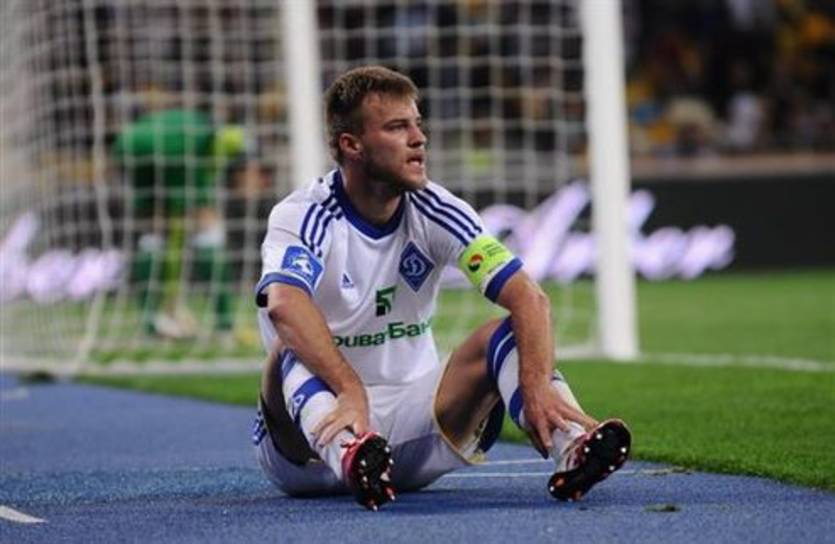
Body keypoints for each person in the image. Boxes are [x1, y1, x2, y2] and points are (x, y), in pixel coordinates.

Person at [252, 66, 631, 510]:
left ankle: (573, 445)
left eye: (417, 124)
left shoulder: (438, 210)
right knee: (288, 345)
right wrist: (351, 391)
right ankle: (350, 451)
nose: (419, 138)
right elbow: (284, 304)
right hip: (307, 453)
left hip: (416, 427)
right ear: (351, 145)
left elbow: (529, 298)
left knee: (506, 333)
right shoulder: (303, 214)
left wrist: (537, 385)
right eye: (397, 127)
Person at [113, 108, 246, 339]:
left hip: (128, 146)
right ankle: (224, 324)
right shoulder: (211, 142)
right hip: (178, 148)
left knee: (156, 230)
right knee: (206, 225)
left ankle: (153, 320)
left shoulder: (192, 121)